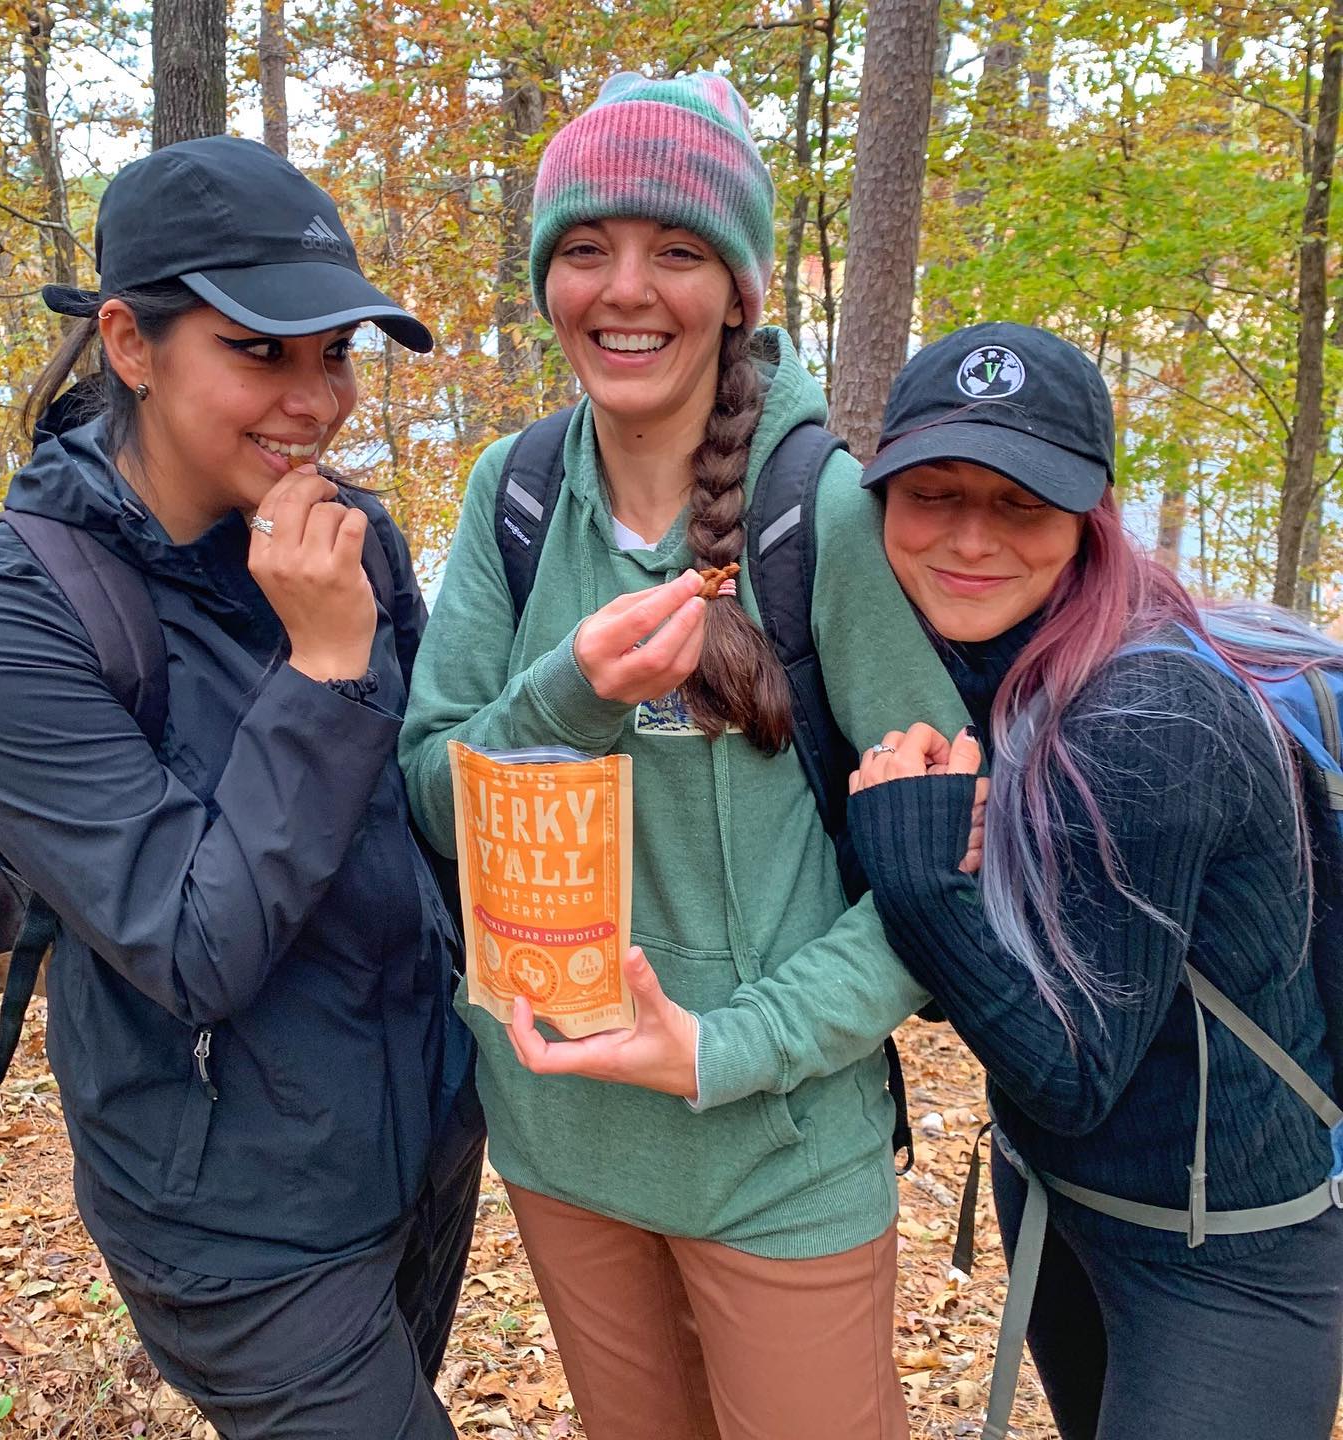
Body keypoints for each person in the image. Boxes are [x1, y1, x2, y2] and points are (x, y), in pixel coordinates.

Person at [399, 73, 975, 1440]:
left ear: (739, 287)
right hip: (562, 1142)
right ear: (548, 279)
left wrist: (721, 1046)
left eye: (676, 250)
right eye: (586, 248)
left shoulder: (820, 510)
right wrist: (570, 695)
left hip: (775, 1150)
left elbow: (937, 857)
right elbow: (433, 791)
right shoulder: (516, 493)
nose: (625, 289)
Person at [0, 136, 483, 1440]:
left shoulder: (352, 537)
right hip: (233, 1221)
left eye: (334, 353)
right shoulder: (6, 618)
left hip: (427, 1140)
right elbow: (190, 941)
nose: (318, 399)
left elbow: (414, 811)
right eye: (259, 351)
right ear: (129, 342)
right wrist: (327, 661)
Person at [846, 321, 1343, 1440]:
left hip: (1228, 1262)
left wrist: (917, 876)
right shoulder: (988, 664)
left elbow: (1070, 1073)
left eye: (1020, 502)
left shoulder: (1150, 715)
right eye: (932, 493)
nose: (971, 537)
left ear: (1089, 518)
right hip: (1064, 1207)